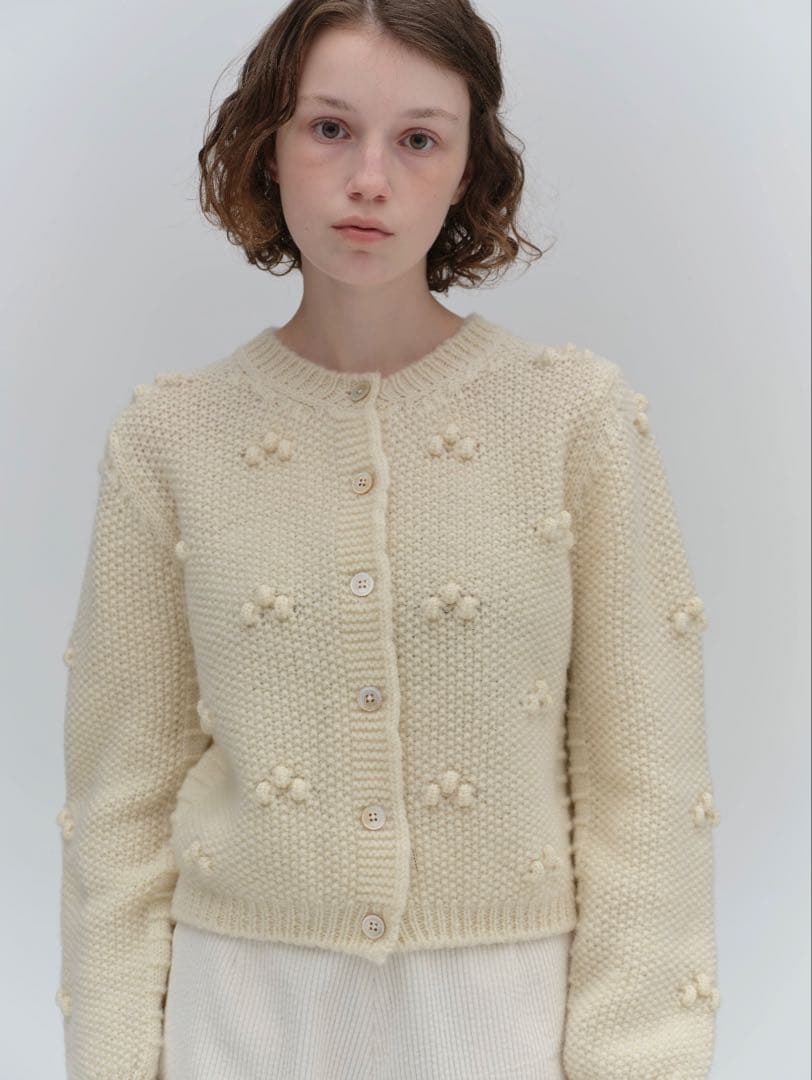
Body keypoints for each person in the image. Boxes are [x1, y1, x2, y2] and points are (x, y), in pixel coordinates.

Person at [56, 2, 721, 1078]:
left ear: (466, 170)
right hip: (238, 1021)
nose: (369, 179)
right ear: (267, 145)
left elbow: (644, 787)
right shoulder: (168, 439)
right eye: (329, 128)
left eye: (418, 138)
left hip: (504, 1021)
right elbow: (120, 803)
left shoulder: (573, 421)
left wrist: (638, 1058)